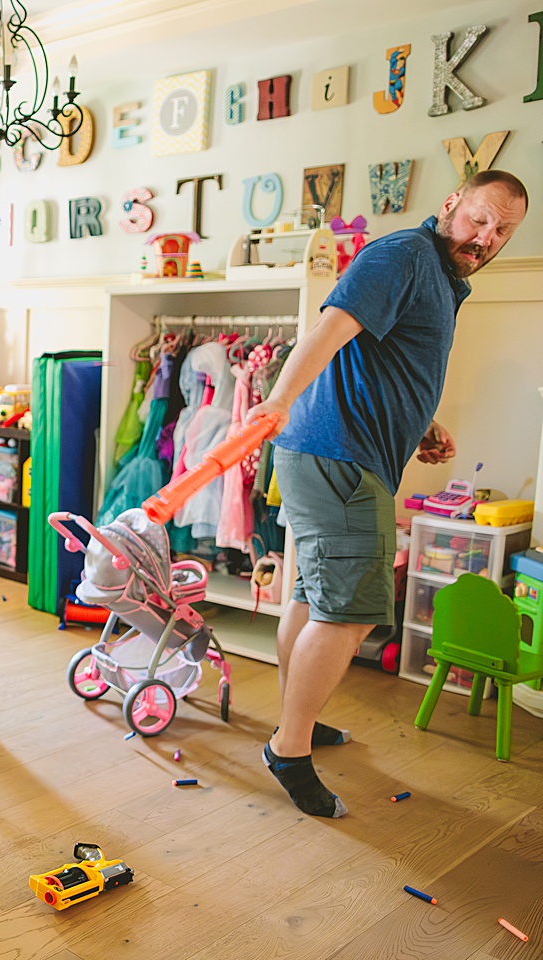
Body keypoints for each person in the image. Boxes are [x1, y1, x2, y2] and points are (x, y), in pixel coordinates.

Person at [247, 170, 528, 818]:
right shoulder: (404, 255)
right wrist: (279, 401)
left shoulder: (437, 275)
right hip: (338, 453)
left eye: (502, 231)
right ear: (451, 202)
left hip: (335, 448)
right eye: (479, 218)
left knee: (312, 594)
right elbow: (330, 329)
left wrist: (419, 423)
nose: (486, 237)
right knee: (348, 613)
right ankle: (288, 750)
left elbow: (382, 358)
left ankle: (299, 718)